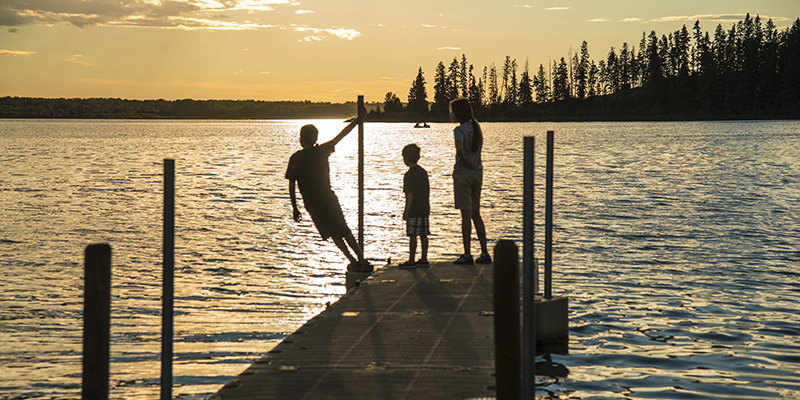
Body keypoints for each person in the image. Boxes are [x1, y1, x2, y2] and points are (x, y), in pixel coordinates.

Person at [285, 106, 371, 272]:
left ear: (301, 139)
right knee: (343, 229)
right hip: (327, 199)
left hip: (312, 204)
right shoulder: (321, 151)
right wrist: (359, 120)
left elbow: (291, 185)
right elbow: (341, 135)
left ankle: (353, 259)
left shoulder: (295, 158)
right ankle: (359, 258)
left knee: (334, 233)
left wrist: (295, 208)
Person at [449, 98, 490, 265]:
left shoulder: (459, 130)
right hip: (477, 173)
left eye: (452, 111)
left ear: (459, 113)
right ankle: (485, 252)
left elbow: (459, 149)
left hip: (463, 174)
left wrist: (464, 161)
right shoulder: (476, 127)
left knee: (465, 216)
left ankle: (467, 253)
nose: (450, 115)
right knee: (476, 214)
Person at [399, 143, 430, 268]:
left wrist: (406, 211)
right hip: (424, 207)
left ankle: (411, 259)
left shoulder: (409, 175)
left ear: (405, 159)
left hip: (414, 209)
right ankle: (424, 258)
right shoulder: (423, 172)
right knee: (424, 234)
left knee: (412, 235)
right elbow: (427, 190)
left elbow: (409, 194)